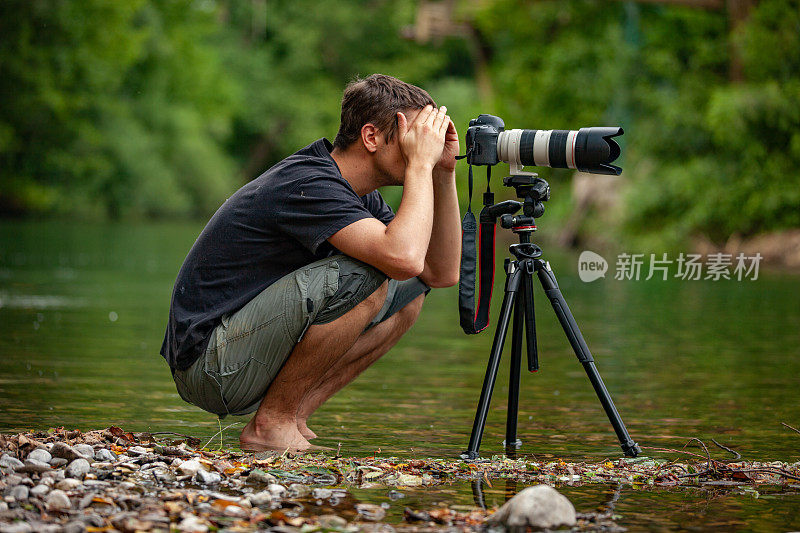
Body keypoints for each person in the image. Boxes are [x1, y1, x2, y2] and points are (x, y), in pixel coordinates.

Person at [160, 74, 461, 451]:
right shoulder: (307, 181)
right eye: (416, 134)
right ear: (371, 137)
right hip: (210, 364)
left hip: (242, 353)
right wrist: (419, 167)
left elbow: (439, 272)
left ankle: (293, 416)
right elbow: (401, 257)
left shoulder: (357, 194)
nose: (425, 146)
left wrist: (443, 172)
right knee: (368, 274)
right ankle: (272, 424)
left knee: (412, 292)